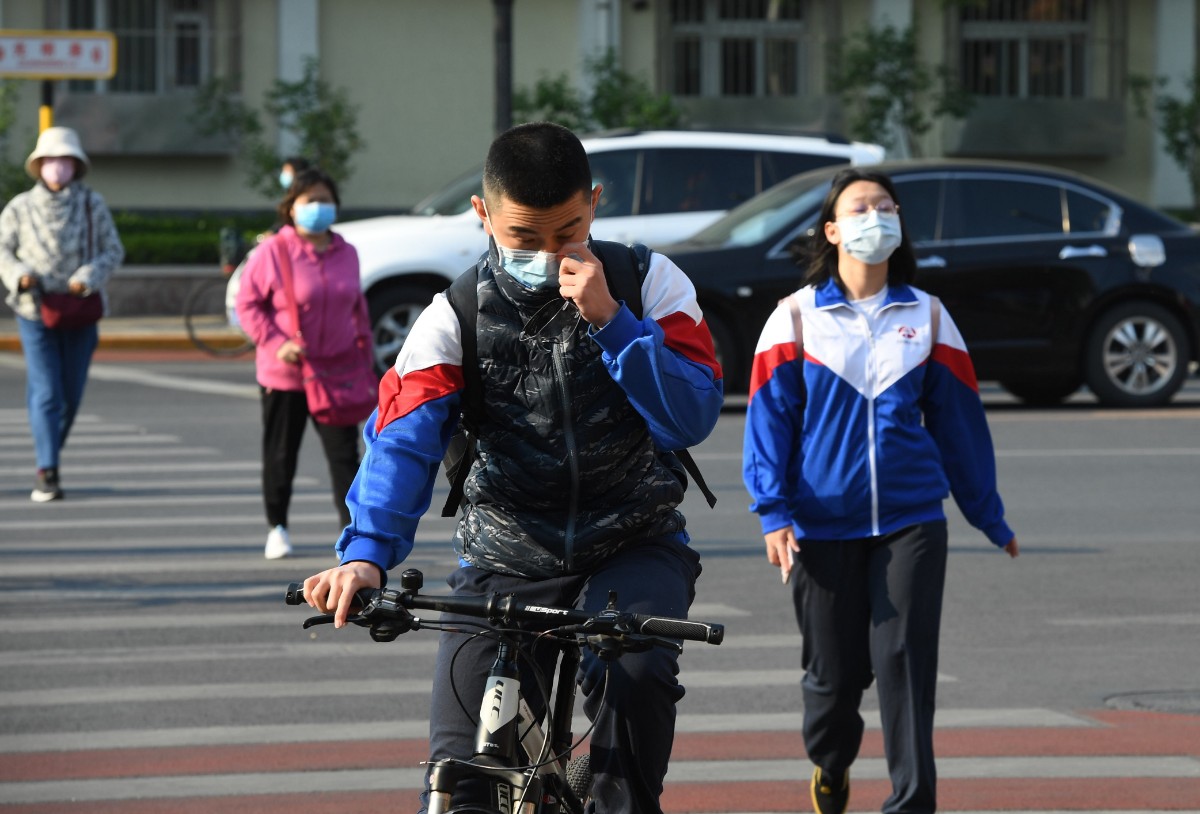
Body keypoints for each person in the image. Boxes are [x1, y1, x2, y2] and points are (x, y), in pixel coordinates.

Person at [301, 121, 723, 813]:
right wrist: (366, 556)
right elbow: (402, 442)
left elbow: (690, 417)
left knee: (637, 676)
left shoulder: (651, 283)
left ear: (594, 203)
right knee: (459, 776)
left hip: (632, 547)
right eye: (523, 238)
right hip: (504, 553)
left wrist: (613, 321)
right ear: (483, 215)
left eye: (568, 232)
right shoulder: (453, 314)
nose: (548, 254)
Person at [741, 167, 1019, 814]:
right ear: (833, 230)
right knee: (833, 684)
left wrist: (989, 515)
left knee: (905, 666)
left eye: (886, 206)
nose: (876, 216)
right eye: (861, 207)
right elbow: (767, 426)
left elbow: (960, 425)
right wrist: (773, 514)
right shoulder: (794, 319)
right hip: (819, 525)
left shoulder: (929, 315)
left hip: (911, 520)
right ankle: (831, 765)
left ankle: (910, 803)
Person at [235, 167, 371, 560]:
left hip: (338, 373)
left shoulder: (347, 252)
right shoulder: (272, 252)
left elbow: (357, 309)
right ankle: (277, 526)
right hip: (286, 375)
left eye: (325, 200)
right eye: (309, 200)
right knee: (281, 454)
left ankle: (356, 538)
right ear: (290, 208)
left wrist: (365, 360)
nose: (318, 207)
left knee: (346, 459)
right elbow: (247, 304)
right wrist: (276, 342)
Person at [0, 126, 124, 502]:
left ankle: (50, 447)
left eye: (65, 160)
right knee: (47, 391)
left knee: (70, 395)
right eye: (51, 160)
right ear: (39, 165)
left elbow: (113, 250)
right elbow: (3, 249)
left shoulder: (92, 204)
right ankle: (47, 470)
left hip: (80, 310)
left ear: (76, 165)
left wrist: (87, 276)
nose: (58, 167)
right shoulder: (20, 207)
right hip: (35, 309)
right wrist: (19, 275)